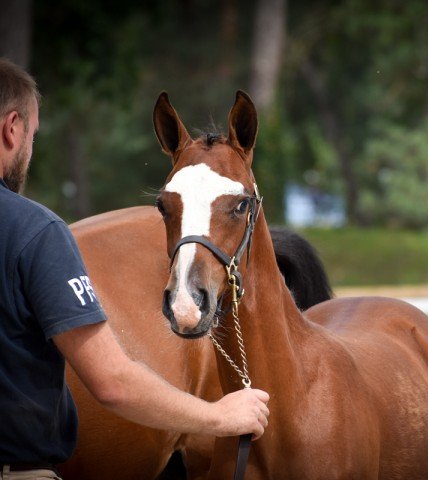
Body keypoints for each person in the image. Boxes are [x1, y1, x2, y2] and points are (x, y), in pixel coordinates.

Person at [0, 58, 269, 479]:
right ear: (12, 129)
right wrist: (220, 417)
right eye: (33, 136)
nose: (30, 149)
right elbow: (112, 382)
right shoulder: (34, 231)